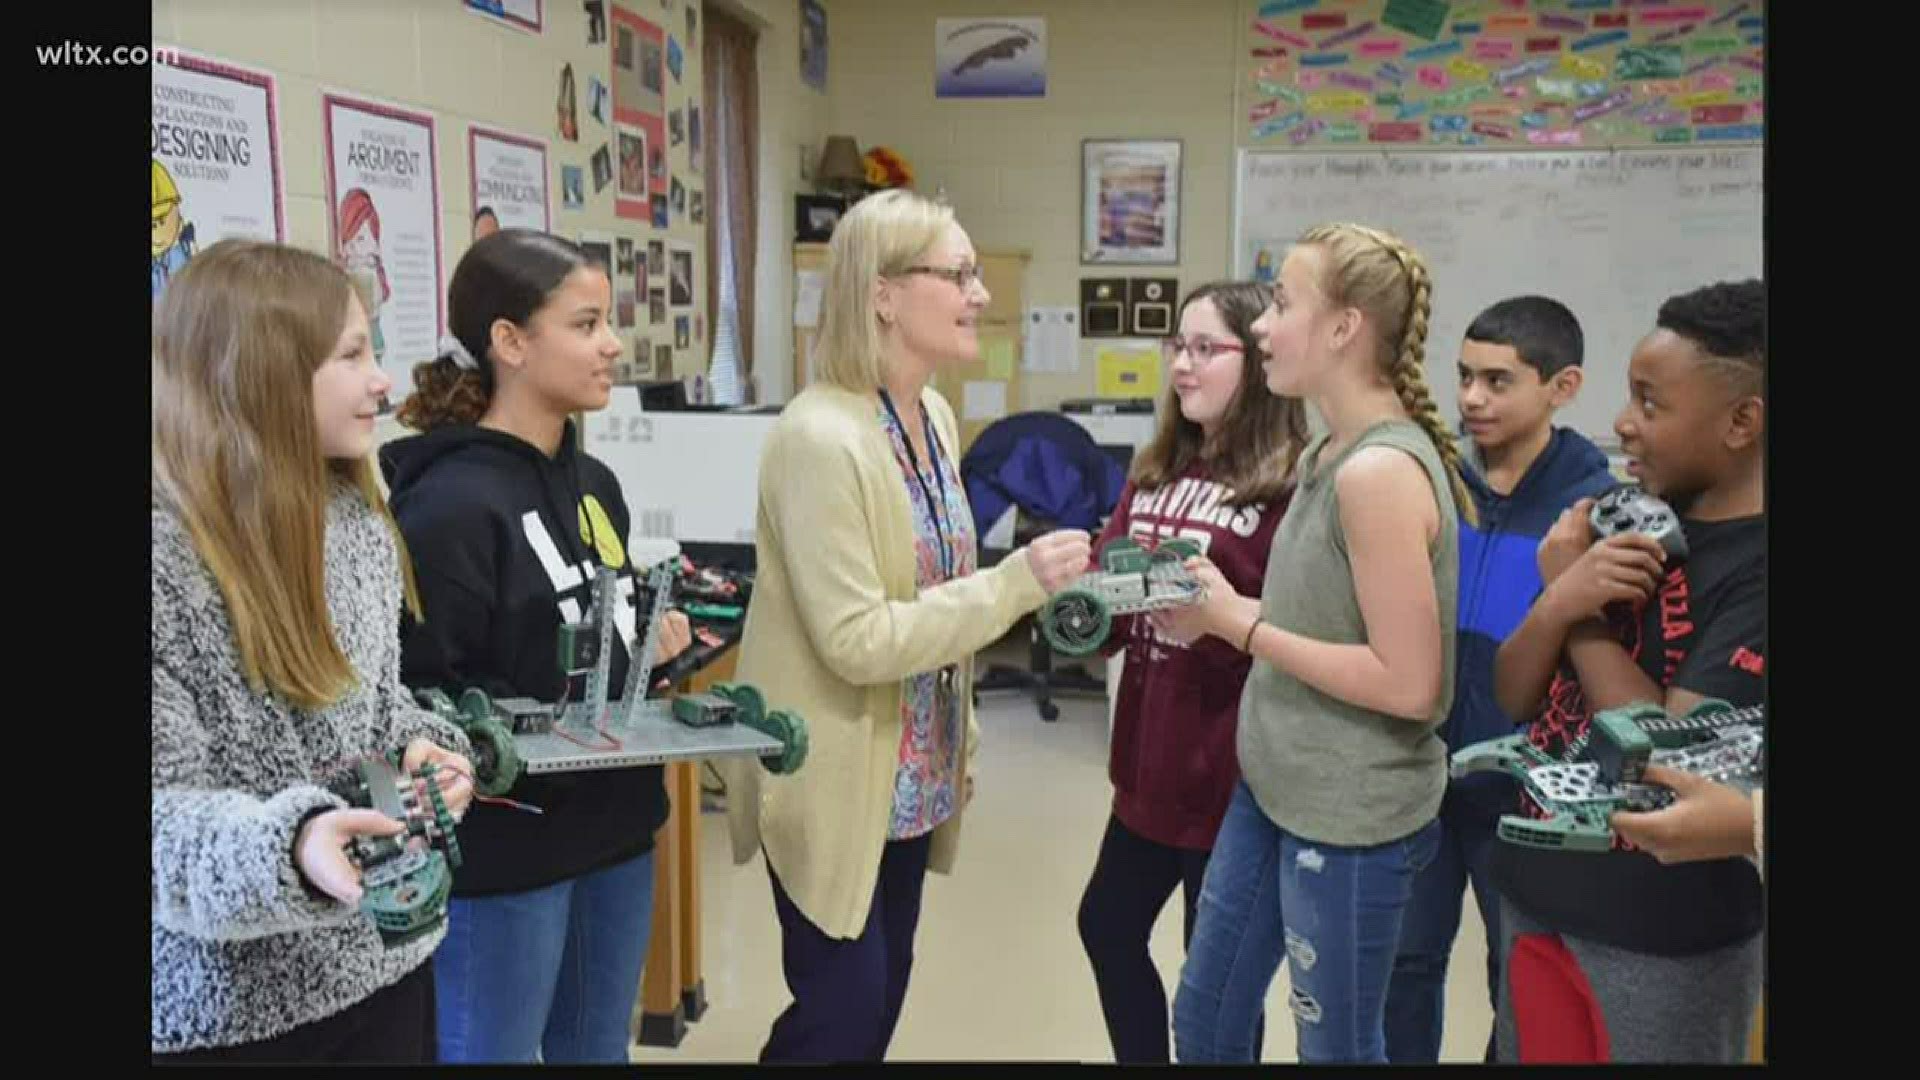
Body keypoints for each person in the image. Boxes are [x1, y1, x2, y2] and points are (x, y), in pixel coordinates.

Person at [720, 189, 1091, 1062]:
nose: (979, 294)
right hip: (836, 779)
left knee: (876, 1008)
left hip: (911, 779)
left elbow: (931, 587)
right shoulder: (818, 437)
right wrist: (1012, 587)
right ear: (882, 293)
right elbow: (856, 641)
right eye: (957, 274)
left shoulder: (930, 418)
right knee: (838, 1019)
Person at [152, 239, 474, 1063]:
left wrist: (423, 745)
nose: (383, 382)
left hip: (387, 971)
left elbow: (375, 705)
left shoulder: (359, 522)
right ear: (260, 373)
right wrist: (294, 848)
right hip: (233, 1018)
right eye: (353, 355)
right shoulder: (162, 564)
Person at [382, 228, 693, 1064]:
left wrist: (647, 651)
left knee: (598, 1051)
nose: (613, 344)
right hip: (509, 856)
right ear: (510, 343)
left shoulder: (596, 487)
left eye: (610, 322)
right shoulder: (447, 508)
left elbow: (589, 647)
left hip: (617, 831)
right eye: (586, 324)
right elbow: (416, 696)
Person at [1163, 223, 1469, 1064]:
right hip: (1273, 787)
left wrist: (1243, 624)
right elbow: (1328, 616)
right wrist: (1219, 607)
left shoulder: (1377, 474)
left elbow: (1408, 684)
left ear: (1344, 329)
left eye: (1285, 303)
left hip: (1349, 816)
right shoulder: (1328, 451)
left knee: (1334, 1049)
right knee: (1207, 1019)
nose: (1263, 325)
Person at [1487, 280, 1766, 1063]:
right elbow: (1512, 693)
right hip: (1535, 889)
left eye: (1650, 404)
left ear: (1742, 422)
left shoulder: (1756, 571)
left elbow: (1668, 753)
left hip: (1661, 936)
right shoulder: (1628, 519)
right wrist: (1554, 601)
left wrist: (1573, 608)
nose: (1622, 423)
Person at [1076, 281, 1307, 1063]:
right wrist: (1078, 604)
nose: (1182, 364)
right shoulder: (1154, 471)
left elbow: (1300, 634)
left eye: (1206, 348)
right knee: (1105, 928)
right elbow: (1106, 614)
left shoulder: (1293, 486)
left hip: (1231, 778)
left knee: (1213, 991)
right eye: (1178, 346)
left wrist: (1216, 616)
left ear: (1259, 359)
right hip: (1147, 765)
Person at [1384, 296, 1614, 1063]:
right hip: (1422, 781)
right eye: (1463, 377)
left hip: (1525, 797)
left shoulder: (1597, 507)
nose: (1471, 399)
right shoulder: (1436, 480)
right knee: (1405, 966)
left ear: (1563, 385)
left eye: (1498, 381)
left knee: (1518, 981)